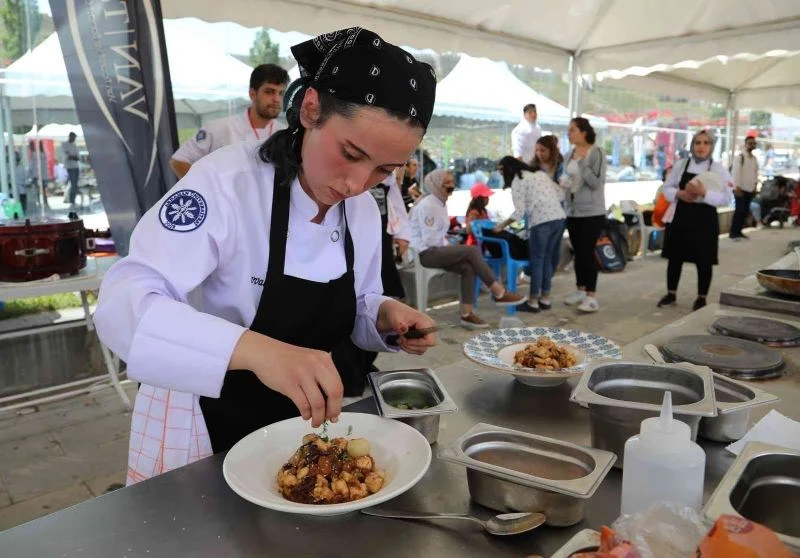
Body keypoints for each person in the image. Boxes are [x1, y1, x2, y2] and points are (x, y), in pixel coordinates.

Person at [95, 27, 439, 484]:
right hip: (211, 434)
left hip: (307, 437)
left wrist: (383, 314)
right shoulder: (224, 183)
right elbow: (122, 304)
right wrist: (258, 352)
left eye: (383, 170)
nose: (357, 184)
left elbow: (358, 302)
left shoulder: (359, 209)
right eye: (350, 153)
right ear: (311, 108)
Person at [409, 169, 526, 329]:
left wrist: (452, 248)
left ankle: (467, 314)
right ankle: (498, 292)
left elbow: (439, 236)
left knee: (468, 268)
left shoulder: (440, 203)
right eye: (446, 183)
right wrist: (454, 248)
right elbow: (430, 239)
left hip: (435, 250)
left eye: (452, 182)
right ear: (436, 185)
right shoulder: (428, 205)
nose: (451, 186)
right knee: (471, 251)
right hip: (425, 254)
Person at [657, 129, 733, 311]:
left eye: (706, 143)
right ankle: (671, 294)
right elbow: (666, 188)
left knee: (704, 259)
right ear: (692, 145)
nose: (701, 146)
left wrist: (704, 193)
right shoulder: (681, 165)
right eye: (698, 142)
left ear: (712, 146)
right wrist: (679, 194)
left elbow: (726, 198)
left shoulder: (718, 169)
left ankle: (701, 297)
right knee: (675, 257)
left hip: (705, 219)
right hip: (681, 216)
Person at [169, 64, 290, 179]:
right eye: (269, 92)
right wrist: (205, 189)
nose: (276, 99)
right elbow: (178, 161)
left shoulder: (285, 134)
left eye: (281, 93)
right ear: (252, 94)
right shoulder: (218, 128)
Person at [497, 138, 567, 313]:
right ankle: (545, 299)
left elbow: (519, 212)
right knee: (547, 259)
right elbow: (560, 194)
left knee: (537, 260)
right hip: (559, 218)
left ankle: (533, 301)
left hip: (541, 222)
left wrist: (501, 225)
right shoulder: (539, 174)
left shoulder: (518, 181)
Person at [562, 117, 607, 313]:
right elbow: (568, 177)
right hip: (572, 210)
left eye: (572, 130)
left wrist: (582, 163)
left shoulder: (597, 152)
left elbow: (596, 182)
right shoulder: (569, 154)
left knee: (587, 253)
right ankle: (580, 289)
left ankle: (591, 295)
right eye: (568, 130)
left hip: (592, 211)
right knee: (578, 252)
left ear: (584, 132)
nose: (569, 133)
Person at [729, 135, 758, 240]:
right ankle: (733, 233)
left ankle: (739, 231)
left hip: (749, 189)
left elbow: (755, 173)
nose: (752, 145)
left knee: (745, 212)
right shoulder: (740, 157)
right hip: (740, 189)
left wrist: (755, 185)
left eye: (753, 143)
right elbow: (735, 173)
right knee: (739, 211)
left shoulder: (754, 159)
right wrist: (737, 186)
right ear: (745, 144)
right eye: (750, 143)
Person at [61, 132, 80, 207]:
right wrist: (72, 157)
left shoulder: (74, 146)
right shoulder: (64, 144)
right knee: (73, 184)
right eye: (73, 137)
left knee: (75, 184)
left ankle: (72, 199)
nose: (74, 139)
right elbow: (67, 156)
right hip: (69, 167)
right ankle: (71, 200)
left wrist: (73, 157)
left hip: (75, 166)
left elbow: (77, 157)